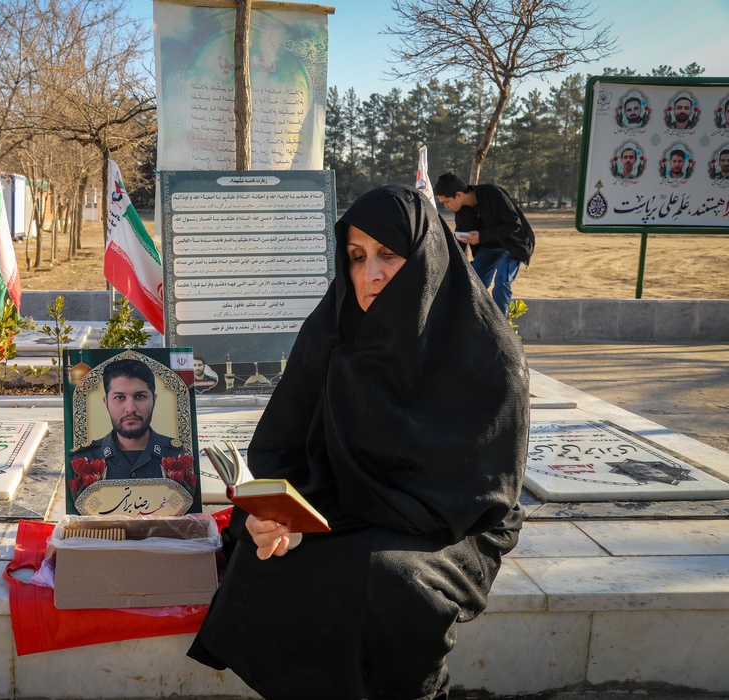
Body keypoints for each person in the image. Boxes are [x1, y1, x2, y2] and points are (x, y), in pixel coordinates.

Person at [188, 185, 527, 700]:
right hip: (344, 507)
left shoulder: (487, 355)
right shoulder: (333, 334)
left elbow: (485, 492)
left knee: (386, 578)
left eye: (388, 254)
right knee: (270, 563)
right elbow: (282, 453)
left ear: (426, 257)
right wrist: (273, 515)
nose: (370, 273)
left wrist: (368, 516)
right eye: (356, 256)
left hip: (453, 522)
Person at [433, 172, 535, 315]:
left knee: (501, 282)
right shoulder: (460, 209)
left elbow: (514, 224)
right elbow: (461, 238)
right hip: (488, 248)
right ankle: (476, 324)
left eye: (447, 202)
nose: (446, 206)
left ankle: (501, 329)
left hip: (512, 245)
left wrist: (481, 236)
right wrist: (452, 263)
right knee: (473, 283)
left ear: (459, 195)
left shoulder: (493, 194)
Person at [71, 358, 185, 479]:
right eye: (120, 397)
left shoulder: (180, 455)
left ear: (154, 400)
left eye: (140, 396)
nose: (130, 409)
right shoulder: (82, 459)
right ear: (106, 403)